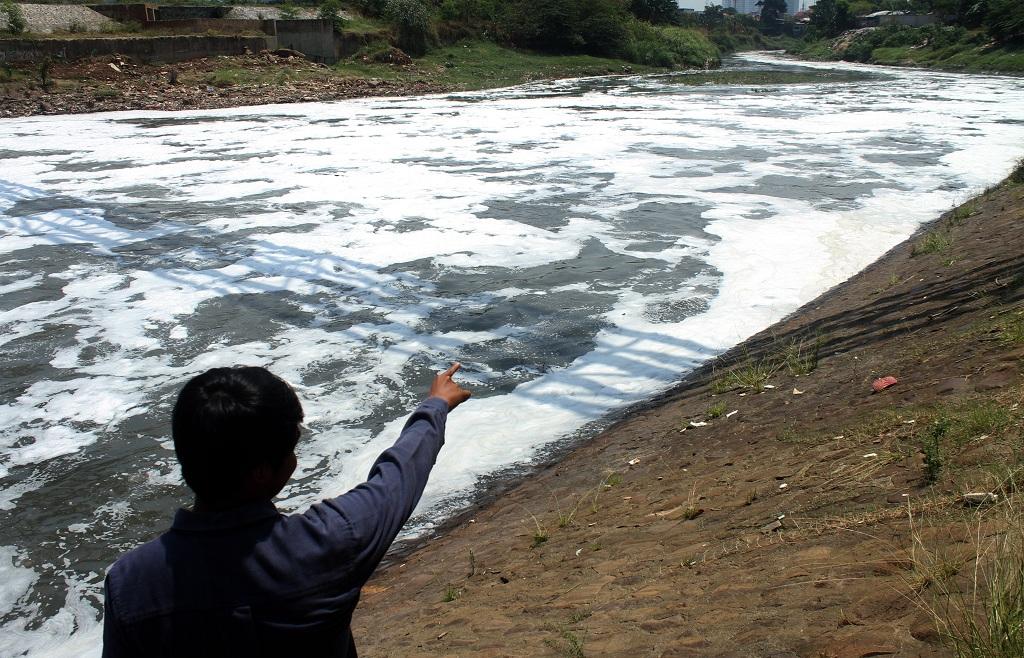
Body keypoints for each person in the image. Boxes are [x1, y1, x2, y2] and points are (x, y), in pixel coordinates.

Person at [102, 363, 471, 658]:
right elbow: (397, 478)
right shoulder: (328, 542)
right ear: (264, 472)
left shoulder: (130, 583)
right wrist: (435, 405)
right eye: (293, 445)